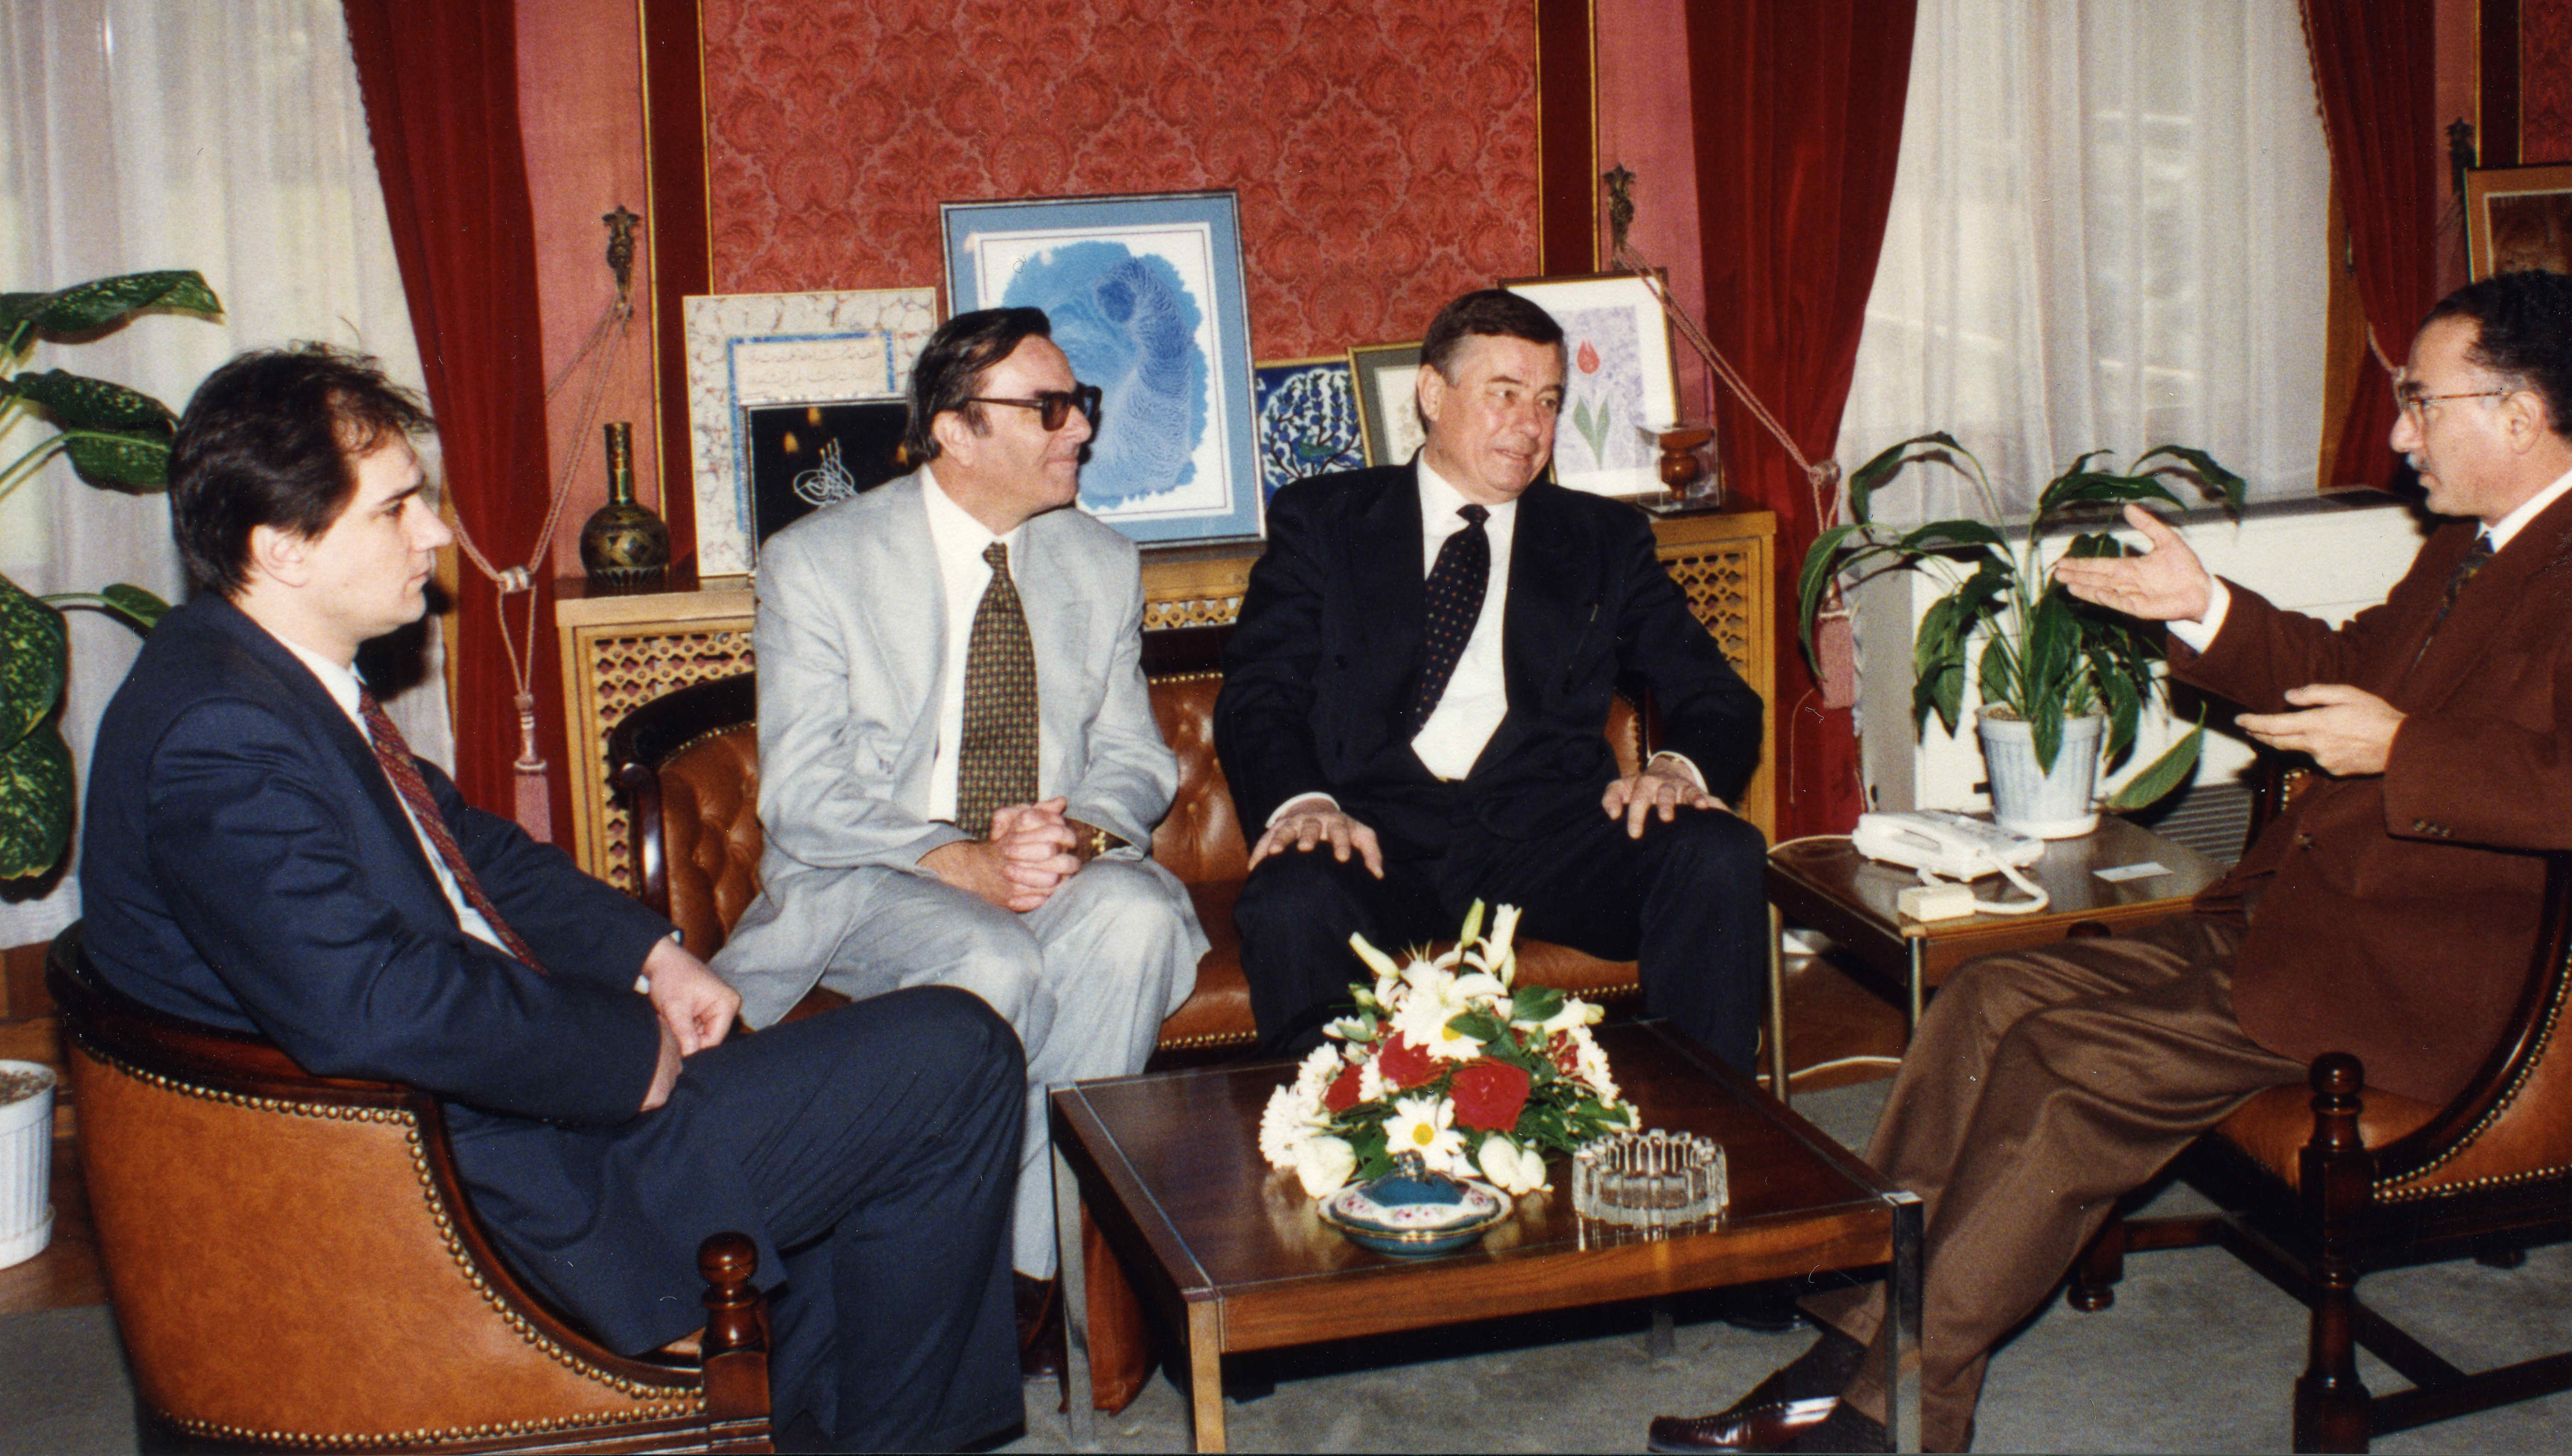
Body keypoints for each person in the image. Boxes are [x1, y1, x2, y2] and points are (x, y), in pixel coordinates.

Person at [1651, 270, 2572, 1453]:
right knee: (1983, 997)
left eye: (2420, 400)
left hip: (2419, 982)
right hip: (2307, 918)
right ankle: (1851, 1338)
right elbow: (2348, 666)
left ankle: (1897, 1411)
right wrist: (2203, 603)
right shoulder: (2479, 544)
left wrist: (2402, 747)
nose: (2397, 432)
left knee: (2064, 1066)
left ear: (2517, 415)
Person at [79, 346, 1023, 1453]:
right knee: (954, 1054)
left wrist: (651, 954)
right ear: (281, 546)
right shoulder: (220, 737)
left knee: (884, 1100)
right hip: (472, 1188)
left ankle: (807, 1418)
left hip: (478, 1124)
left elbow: (468, 850)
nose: (435, 532)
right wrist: (624, 1050)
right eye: (396, 507)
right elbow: (371, 1001)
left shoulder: (259, 677)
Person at [710, 306, 1204, 1338]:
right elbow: (802, 790)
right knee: (991, 957)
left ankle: (1032, 1282)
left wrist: (1069, 841)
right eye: (1049, 408)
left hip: (1041, 862)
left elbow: (1132, 759)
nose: (1081, 427)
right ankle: (955, 1280)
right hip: (873, 876)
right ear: (955, 430)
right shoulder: (818, 561)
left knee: (1138, 920)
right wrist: (957, 855)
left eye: (1080, 402)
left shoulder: (1100, 562)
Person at [1219, 286, 1766, 1071]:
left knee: (1716, 850)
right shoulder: (1327, 521)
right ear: (1431, 392)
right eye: (1504, 393)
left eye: (1547, 401)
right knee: (1292, 896)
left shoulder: (1601, 539)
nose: (1530, 425)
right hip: (1374, 843)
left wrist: (1677, 768)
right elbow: (1260, 692)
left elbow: (1714, 693)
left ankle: (1704, 1121)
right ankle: (1327, 1135)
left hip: (1548, 842)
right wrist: (1305, 804)